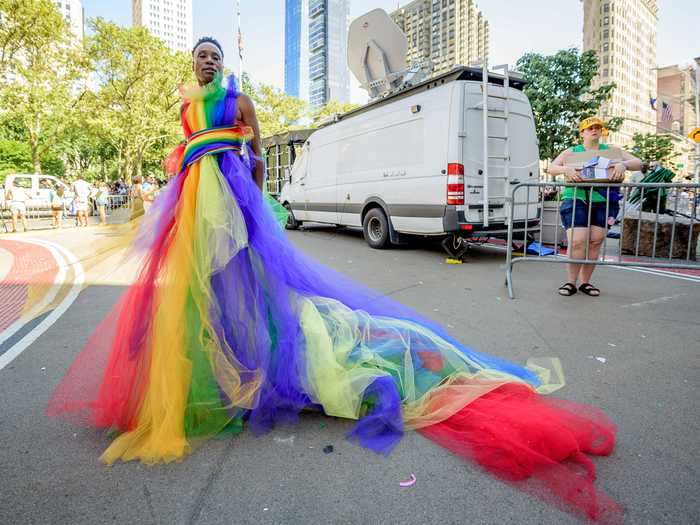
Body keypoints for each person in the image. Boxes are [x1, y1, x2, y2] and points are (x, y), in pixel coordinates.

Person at [46, 38, 620, 522]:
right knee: (202, 295)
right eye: (200, 55)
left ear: (223, 64)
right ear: (191, 64)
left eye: (214, 55)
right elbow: (186, 153)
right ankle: (220, 370)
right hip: (193, 210)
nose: (206, 62)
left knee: (246, 289)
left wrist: (253, 197)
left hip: (233, 207)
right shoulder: (186, 108)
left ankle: (255, 367)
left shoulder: (240, 101)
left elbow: (258, 155)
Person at [548, 117, 642, 297]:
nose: (594, 130)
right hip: (576, 197)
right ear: (582, 132)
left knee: (595, 241)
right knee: (577, 241)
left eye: (598, 127)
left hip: (605, 200)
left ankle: (585, 283)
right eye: (590, 128)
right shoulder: (572, 152)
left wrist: (623, 164)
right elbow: (552, 167)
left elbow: (638, 163)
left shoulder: (612, 152)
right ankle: (570, 282)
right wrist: (564, 170)